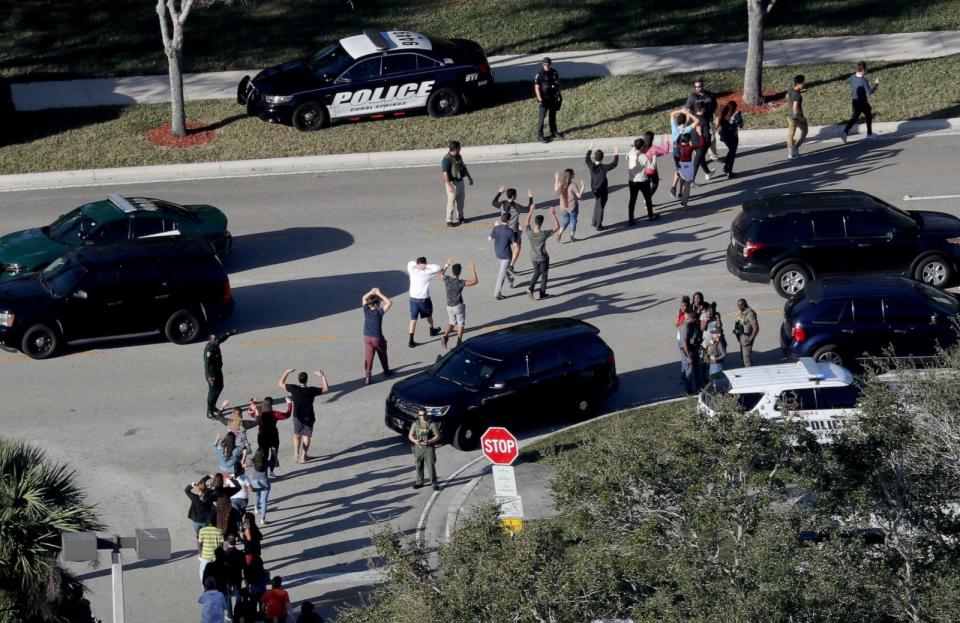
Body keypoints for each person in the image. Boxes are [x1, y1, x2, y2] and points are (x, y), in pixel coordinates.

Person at [279, 369, 329, 463]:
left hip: (297, 416)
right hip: (309, 416)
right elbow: (326, 389)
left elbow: (281, 383)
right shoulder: (311, 390)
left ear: (299, 380)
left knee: (297, 435)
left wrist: (286, 372)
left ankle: (296, 453)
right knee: (306, 435)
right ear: (306, 380)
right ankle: (304, 456)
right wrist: (322, 376)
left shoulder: (293, 389)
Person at [406, 256, 447, 347]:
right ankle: (432, 330)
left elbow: (410, 262)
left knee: (413, 319)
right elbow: (438, 267)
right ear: (425, 264)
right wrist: (426, 266)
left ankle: (411, 341)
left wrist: (418, 265)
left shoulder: (412, 270)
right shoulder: (428, 272)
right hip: (424, 299)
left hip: (413, 299)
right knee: (429, 315)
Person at [492, 187, 533, 276]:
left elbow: (493, 202)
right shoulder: (516, 206)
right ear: (514, 196)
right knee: (517, 247)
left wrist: (499, 192)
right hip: (513, 231)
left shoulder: (502, 204)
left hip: (504, 229)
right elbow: (528, 209)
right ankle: (510, 266)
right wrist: (530, 198)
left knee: (506, 247)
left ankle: (506, 265)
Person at [682, 78, 718, 181]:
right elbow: (686, 110)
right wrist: (685, 125)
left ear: (703, 85)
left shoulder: (710, 96)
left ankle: (707, 172)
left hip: (706, 126)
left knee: (701, 151)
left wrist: (713, 119)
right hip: (695, 127)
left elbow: (715, 108)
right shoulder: (692, 97)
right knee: (699, 152)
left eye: (700, 86)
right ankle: (691, 179)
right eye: (696, 87)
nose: (698, 88)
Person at [439, 261, 479, 349]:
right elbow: (475, 281)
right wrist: (473, 270)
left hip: (449, 306)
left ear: (452, 272)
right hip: (458, 306)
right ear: (459, 272)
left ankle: (445, 337)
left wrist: (447, 265)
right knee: (460, 324)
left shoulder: (447, 279)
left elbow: (441, 274)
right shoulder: (460, 282)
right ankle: (459, 342)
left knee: (452, 322)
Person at [525, 206, 560, 300]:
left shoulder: (529, 232)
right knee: (544, 274)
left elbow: (526, 222)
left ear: (535, 222)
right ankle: (540, 292)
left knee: (537, 271)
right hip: (543, 258)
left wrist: (530, 211)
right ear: (542, 223)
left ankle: (531, 289)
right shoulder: (543, 234)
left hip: (533, 257)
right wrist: (553, 214)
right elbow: (557, 227)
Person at [361, 287, 394, 385]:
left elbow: (363, 298)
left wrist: (371, 292)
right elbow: (389, 302)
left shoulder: (366, 310)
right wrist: (379, 293)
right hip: (377, 338)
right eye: (379, 302)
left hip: (367, 338)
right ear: (376, 304)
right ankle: (386, 371)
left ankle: (367, 376)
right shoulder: (379, 312)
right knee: (382, 354)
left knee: (369, 358)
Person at [250, 396, 291, 477]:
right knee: (273, 454)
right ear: (272, 404)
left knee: (263, 455)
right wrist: (289, 403)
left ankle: (263, 471)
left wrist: (254, 403)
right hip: (273, 437)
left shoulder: (259, 412)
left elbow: (250, 412)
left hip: (262, 437)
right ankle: (271, 471)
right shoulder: (275, 414)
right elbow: (287, 415)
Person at [204, 329, 239, 419]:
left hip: (218, 371)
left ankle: (213, 406)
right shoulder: (209, 350)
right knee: (212, 392)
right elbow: (207, 365)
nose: (217, 340)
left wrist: (230, 333)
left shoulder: (216, 343)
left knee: (220, 387)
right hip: (212, 375)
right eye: (215, 339)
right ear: (210, 340)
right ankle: (209, 411)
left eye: (217, 339)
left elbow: (222, 339)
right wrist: (209, 377)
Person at [584, 142, 619, 231]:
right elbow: (614, 164)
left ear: (595, 157)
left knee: (597, 203)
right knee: (601, 207)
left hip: (594, 189)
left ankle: (594, 221)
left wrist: (590, 148)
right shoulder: (604, 167)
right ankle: (598, 226)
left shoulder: (591, 166)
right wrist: (616, 153)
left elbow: (587, 159)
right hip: (602, 190)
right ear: (602, 158)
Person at [842, 61, 880, 142]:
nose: (867, 70)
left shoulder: (852, 77)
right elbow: (869, 92)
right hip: (862, 102)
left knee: (855, 117)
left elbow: (846, 81)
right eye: (866, 69)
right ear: (863, 70)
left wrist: (854, 88)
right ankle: (869, 134)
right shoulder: (863, 80)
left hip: (854, 101)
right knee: (868, 115)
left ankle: (845, 131)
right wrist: (876, 84)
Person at [442, 140, 473, 226]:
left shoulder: (459, 156)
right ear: (455, 149)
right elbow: (445, 174)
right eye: (459, 148)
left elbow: (463, 167)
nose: (460, 149)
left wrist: (469, 177)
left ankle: (461, 217)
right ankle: (449, 220)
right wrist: (449, 186)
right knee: (451, 203)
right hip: (452, 183)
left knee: (461, 201)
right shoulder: (446, 160)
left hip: (460, 182)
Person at [408, 408, 441, 490]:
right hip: (418, 448)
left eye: (424, 415)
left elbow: (437, 436)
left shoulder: (431, 423)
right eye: (420, 415)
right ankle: (419, 482)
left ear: (426, 414)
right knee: (418, 465)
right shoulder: (415, 424)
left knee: (430, 466)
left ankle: (434, 483)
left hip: (428, 448)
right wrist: (415, 441)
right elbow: (410, 435)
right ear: (418, 415)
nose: (422, 416)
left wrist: (429, 441)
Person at [489, 213, 520, 299]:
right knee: (501, 275)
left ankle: (510, 281)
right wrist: (518, 233)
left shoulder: (496, 228)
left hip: (497, 253)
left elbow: (489, 239)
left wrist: (494, 227)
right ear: (509, 221)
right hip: (506, 255)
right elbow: (515, 245)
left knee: (503, 270)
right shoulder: (510, 231)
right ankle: (497, 294)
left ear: (501, 219)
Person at [626, 138, 657, 224]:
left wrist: (633, 148)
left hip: (632, 180)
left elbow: (627, 157)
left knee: (632, 199)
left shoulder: (630, 153)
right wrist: (654, 156)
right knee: (647, 198)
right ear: (642, 147)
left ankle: (631, 218)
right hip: (643, 180)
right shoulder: (643, 157)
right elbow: (652, 167)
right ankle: (651, 216)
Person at [534, 57, 563, 142]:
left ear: (550, 64)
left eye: (548, 64)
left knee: (552, 116)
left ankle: (554, 131)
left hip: (553, 98)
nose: (546, 66)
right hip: (544, 99)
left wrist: (559, 94)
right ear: (542, 65)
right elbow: (537, 87)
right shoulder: (539, 74)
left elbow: (557, 83)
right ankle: (539, 135)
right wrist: (540, 99)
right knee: (542, 118)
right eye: (545, 64)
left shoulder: (554, 72)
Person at [668, 110, 696, 197]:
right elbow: (696, 121)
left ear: (677, 121)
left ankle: (675, 188)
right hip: (683, 153)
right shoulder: (687, 129)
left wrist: (681, 110)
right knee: (682, 172)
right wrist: (688, 114)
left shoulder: (674, 128)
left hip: (675, 152)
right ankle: (679, 191)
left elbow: (672, 114)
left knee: (679, 171)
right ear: (685, 121)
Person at [676, 128, 705, 208]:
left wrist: (680, 133)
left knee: (682, 180)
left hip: (681, 166)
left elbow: (677, 141)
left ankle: (680, 194)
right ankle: (684, 203)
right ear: (689, 141)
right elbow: (702, 143)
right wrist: (700, 133)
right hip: (689, 167)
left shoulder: (678, 146)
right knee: (687, 186)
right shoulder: (690, 147)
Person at [554, 168, 584, 242]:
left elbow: (555, 189)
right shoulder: (573, 185)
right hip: (572, 207)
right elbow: (579, 196)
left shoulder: (561, 183)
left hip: (563, 207)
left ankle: (559, 233)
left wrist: (557, 179)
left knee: (565, 219)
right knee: (573, 220)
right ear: (572, 176)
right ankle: (572, 237)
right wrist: (583, 186)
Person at [678, 310, 703, 395]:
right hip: (688, 352)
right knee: (688, 373)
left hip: (694, 349)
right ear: (694, 319)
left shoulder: (692, 324)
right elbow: (684, 343)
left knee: (697, 371)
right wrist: (688, 356)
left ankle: (699, 389)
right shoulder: (685, 327)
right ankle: (689, 392)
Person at [643, 131, 670, 204]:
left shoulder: (641, 148)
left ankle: (648, 201)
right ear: (652, 139)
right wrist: (666, 141)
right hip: (652, 170)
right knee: (655, 184)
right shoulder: (654, 148)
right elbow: (665, 151)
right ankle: (647, 200)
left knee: (647, 187)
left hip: (643, 171)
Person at [717, 101, 743, 177]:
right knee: (732, 153)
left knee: (730, 151)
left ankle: (727, 168)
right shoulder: (733, 116)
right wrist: (739, 117)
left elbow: (719, 126)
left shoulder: (722, 115)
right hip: (732, 136)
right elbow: (740, 125)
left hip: (725, 136)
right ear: (734, 108)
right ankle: (728, 170)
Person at [246, 449, 271, 526]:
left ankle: (256, 509)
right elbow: (275, 464)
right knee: (264, 502)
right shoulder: (267, 462)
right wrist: (274, 455)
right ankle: (262, 519)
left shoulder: (252, 461)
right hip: (265, 482)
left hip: (255, 482)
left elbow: (245, 464)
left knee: (256, 495)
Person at [223, 536, 247, 616]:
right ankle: (238, 612)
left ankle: (230, 614)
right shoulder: (240, 553)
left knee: (228, 595)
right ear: (235, 542)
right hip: (237, 576)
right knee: (238, 594)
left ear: (227, 542)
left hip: (228, 578)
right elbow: (244, 566)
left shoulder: (225, 554)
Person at [787, 74, 808, 159]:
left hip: (789, 115)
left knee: (791, 133)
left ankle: (790, 152)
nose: (804, 84)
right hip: (797, 116)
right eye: (803, 82)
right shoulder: (797, 95)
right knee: (805, 131)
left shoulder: (790, 89)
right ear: (799, 83)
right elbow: (795, 108)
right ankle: (795, 147)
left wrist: (800, 91)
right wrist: (800, 117)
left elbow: (787, 97)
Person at [197, 516, 224, 582]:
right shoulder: (219, 531)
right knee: (217, 573)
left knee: (202, 572)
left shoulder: (202, 531)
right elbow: (221, 545)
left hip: (205, 556)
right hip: (215, 557)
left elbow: (200, 544)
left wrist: (200, 554)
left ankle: (204, 587)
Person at [735, 298, 759, 367]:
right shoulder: (743, 312)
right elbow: (739, 320)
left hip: (747, 338)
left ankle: (749, 372)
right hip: (742, 336)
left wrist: (749, 340)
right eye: (738, 306)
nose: (739, 307)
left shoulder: (750, 314)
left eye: (740, 305)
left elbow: (756, 328)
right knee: (743, 356)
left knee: (746, 360)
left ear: (744, 305)